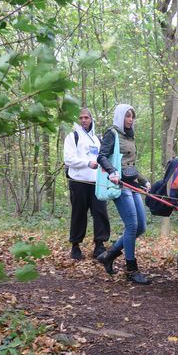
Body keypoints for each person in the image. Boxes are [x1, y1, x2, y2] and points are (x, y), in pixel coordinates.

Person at [96, 104, 151, 285]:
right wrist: (111, 171)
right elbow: (101, 156)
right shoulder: (112, 133)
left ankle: (109, 255)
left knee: (141, 226)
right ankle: (131, 269)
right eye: (127, 116)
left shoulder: (130, 135)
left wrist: (143, 181)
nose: (130, 119)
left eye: (132, 116)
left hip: (132, 183)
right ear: (120, 116)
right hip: (119, 185)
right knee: (132, 226)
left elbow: (130, 164)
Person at [64, 107, 110, 260]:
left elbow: (103, 158)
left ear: (91, 119)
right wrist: (87, 163)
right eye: (81, 118)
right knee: (79, 214)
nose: (83, 120)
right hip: (78, 181)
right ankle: (75, 246)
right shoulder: (73, 136)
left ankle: (99, 245)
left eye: (86, 118)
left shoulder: (97, 139)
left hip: (96, 183)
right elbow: (68, 159)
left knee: (100, 212)